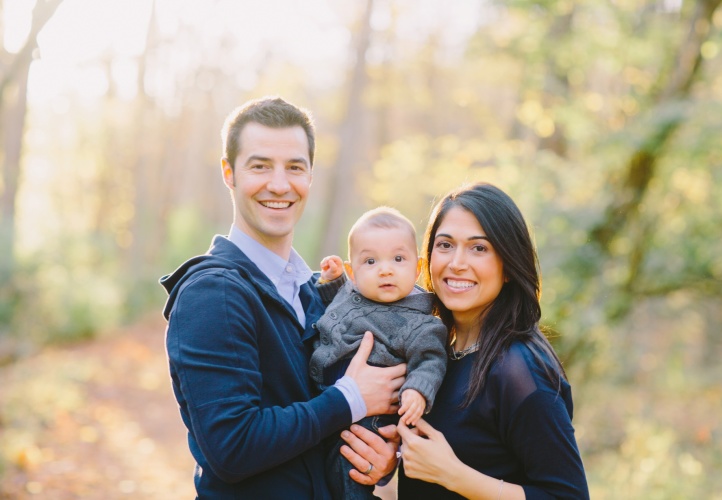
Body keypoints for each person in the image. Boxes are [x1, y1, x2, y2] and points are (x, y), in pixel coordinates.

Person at [159, 96, 404, 498]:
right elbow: (233, 448)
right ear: (229, 173)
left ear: (310, 177)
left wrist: (376, 455)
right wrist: (350, 399)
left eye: (294, 167)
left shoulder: (317, 292)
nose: (279, 184)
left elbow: (329, 432)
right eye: (260, 166)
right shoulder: (213, 293)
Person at [396, 183, 590, 499]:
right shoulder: (434, 355)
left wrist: (455, 476)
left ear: (509, 266)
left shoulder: (521, 370)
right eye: (445, 245)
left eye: (479, 248)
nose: (456, 262)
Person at [311, 206, 448, 499]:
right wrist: (333, 282)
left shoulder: (420, 324)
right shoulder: (354, 291)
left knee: (349, 474)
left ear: (418, 267)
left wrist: (417, 391)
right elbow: (338, 308)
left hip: (368, 422)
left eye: (398, 259)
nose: (385, 269)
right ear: (353, 272)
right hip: (328, 405)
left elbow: (430, 360)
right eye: (370, 261)